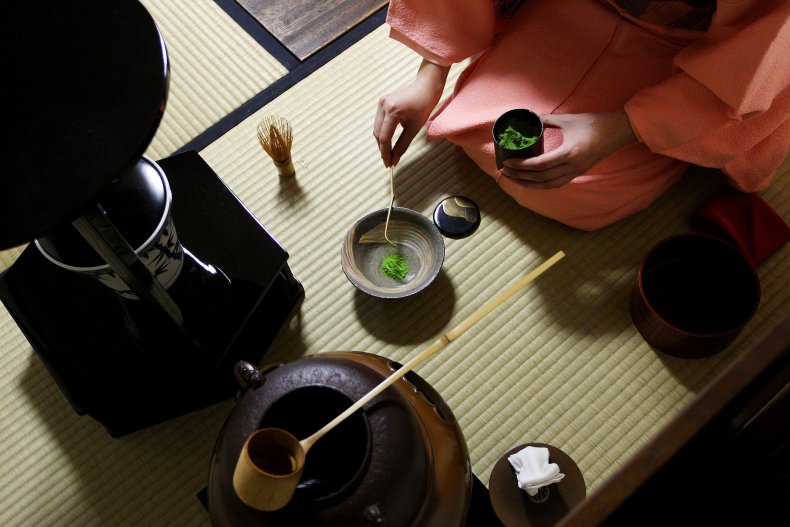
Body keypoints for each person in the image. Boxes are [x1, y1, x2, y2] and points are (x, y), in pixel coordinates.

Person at [373, 0, 789, 230]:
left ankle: (658, 129)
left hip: (688, 57)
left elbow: (761, 52)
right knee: (478, 133)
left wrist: (622, 129)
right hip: (571, 11)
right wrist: (431, 74)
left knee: (576, 189)